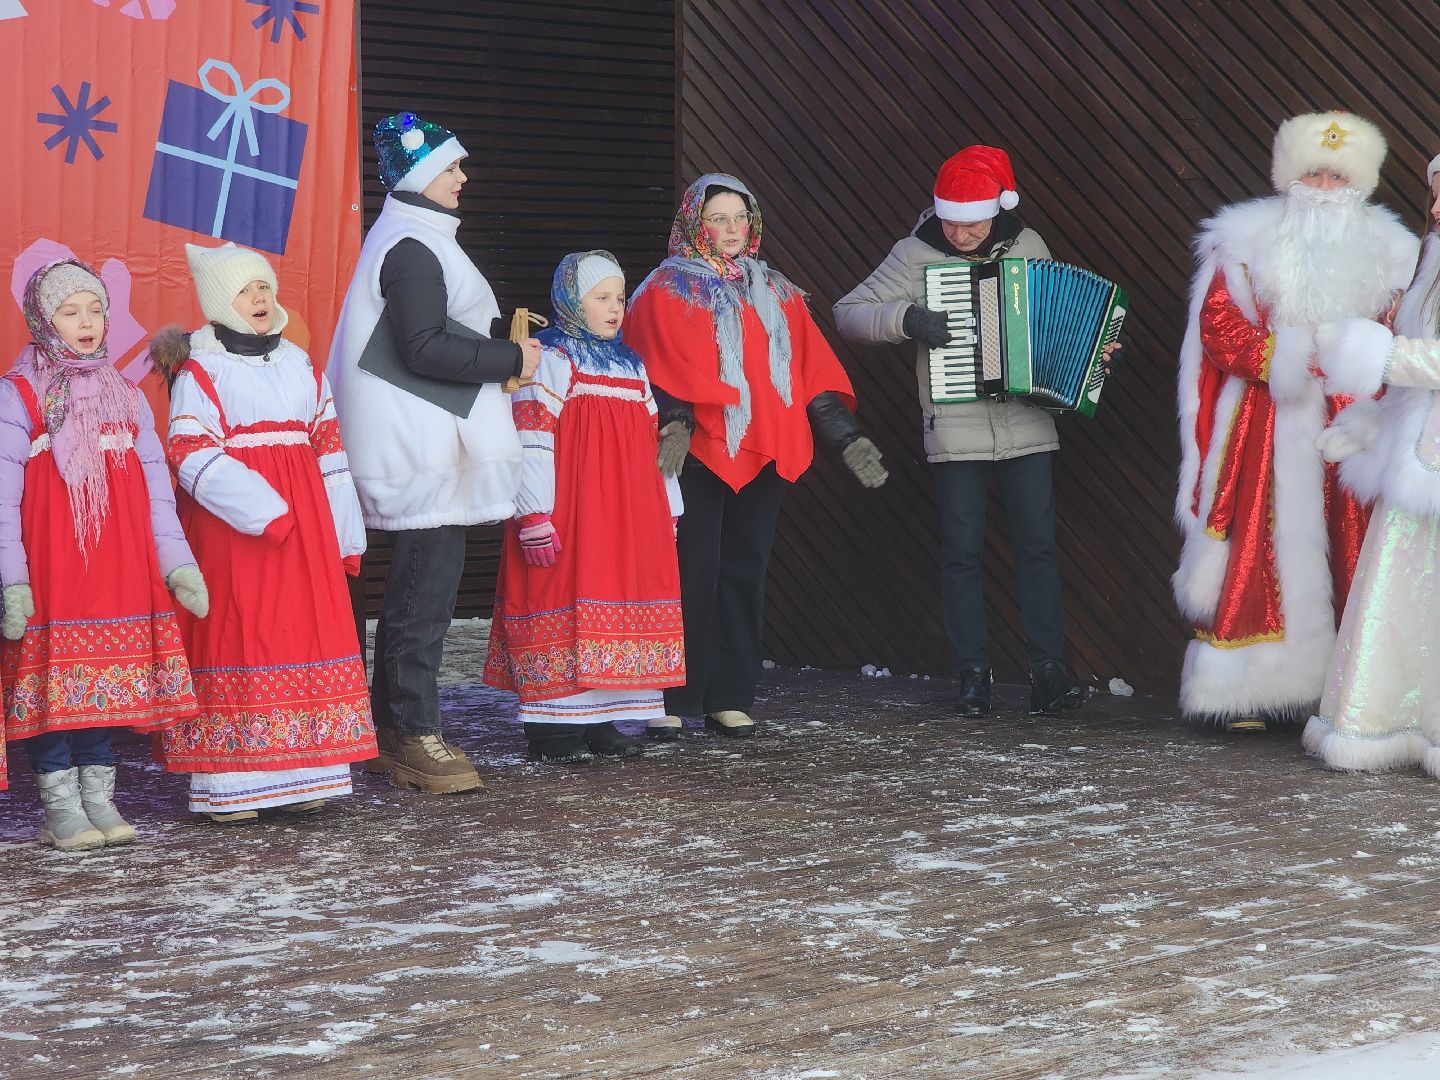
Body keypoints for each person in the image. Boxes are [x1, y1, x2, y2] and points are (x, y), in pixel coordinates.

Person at [1173, 111, 1418, 732]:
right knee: (1256, 545)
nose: (1324, 186)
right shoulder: (1245, 239)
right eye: (1313, 173)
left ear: (1359, 184)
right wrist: (1286, 357)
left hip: (1353, 420)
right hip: (1267, 418)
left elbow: (1405, 338)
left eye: (1338, 176)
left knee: (1356, 544)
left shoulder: (1397, 255)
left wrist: (1361, 365)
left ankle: (1348, 693)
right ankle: (1247, 691)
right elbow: (1219, 327)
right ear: (1289, 176)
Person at [625, 173, 887, 739]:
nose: (730, 230)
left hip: (763, 452)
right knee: (691, 573)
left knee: (745, 572)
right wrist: (674, 420)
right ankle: (670, 694)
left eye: (739, 218)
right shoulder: (665, 288)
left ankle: (729, 694)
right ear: (697, 223)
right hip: (693, 453)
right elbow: (647, 359)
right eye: (717, 218)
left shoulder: (781, 293)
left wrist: (846, 435)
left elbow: (810, 373)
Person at [328, 113, 540, 793]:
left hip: (425, 437)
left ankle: (395, 725)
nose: (463, 177)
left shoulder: (411, 237)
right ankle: (413, 733)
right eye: (452, 167)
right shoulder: (413, 245)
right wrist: (512, 356)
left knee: (419, 589)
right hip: (423, 443)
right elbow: (422, 345)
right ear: (422, 175)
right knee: (425, 591)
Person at [834, 145, 1085, 718]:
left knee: (1039, 548)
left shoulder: (1027, 245)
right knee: (962, 552)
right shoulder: (915, 252)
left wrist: (1090, 357)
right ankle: (973, 675)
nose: (961, 233)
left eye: (972, 224)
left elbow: (1056, 320)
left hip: (1027, 419)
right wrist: (905, 319)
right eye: (951, 221)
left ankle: (1050, 672)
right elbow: (849, 312)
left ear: (995, 213)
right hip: (954, 426)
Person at [153, 242, 377, 821]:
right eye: (247, 289)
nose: (262, 297)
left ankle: (309, 770)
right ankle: (236, 781)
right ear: (219, 301)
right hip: (238, 535)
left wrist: (344, 536)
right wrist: (265, 512)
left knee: (303, 634)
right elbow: (190, 450)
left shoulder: (299, 363)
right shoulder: (200, 369)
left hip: (304, 532)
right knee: (244, 634)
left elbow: (328, 450)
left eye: (266, 287)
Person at [0, 259, 206, 850]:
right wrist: (13, 581)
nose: (86, 323)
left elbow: (156, 491)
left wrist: (176, 563)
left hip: (117, 567)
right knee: (57, 690)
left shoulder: (125, 395)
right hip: (55, 569)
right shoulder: (19, 395)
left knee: (102, 688)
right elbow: (5, 499)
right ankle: (61, 808)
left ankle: (100, 798)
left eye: (95, 310)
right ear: (44, 320)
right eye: (70, 312)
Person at [483, 251, 685, 762]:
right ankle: (554, 725)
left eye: (619, 298)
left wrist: (669, 508)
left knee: (613, 593)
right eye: (602, 298)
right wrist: (533, 514)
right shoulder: (550, 356)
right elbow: (531, 432)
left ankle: (601, 714)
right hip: (571, 504)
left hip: (627, 509)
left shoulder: (631, 364)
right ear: (574, 300)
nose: (615, 308)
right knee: (566, 590)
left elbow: (653, 442)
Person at [1304, 152, 1440, 776]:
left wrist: (1379, 354)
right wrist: (1371, 420)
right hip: (1416, 454)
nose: (1433, 210)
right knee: (1399, 595)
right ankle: (1391, 725)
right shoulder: (1431, 261)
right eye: (1432, 194)